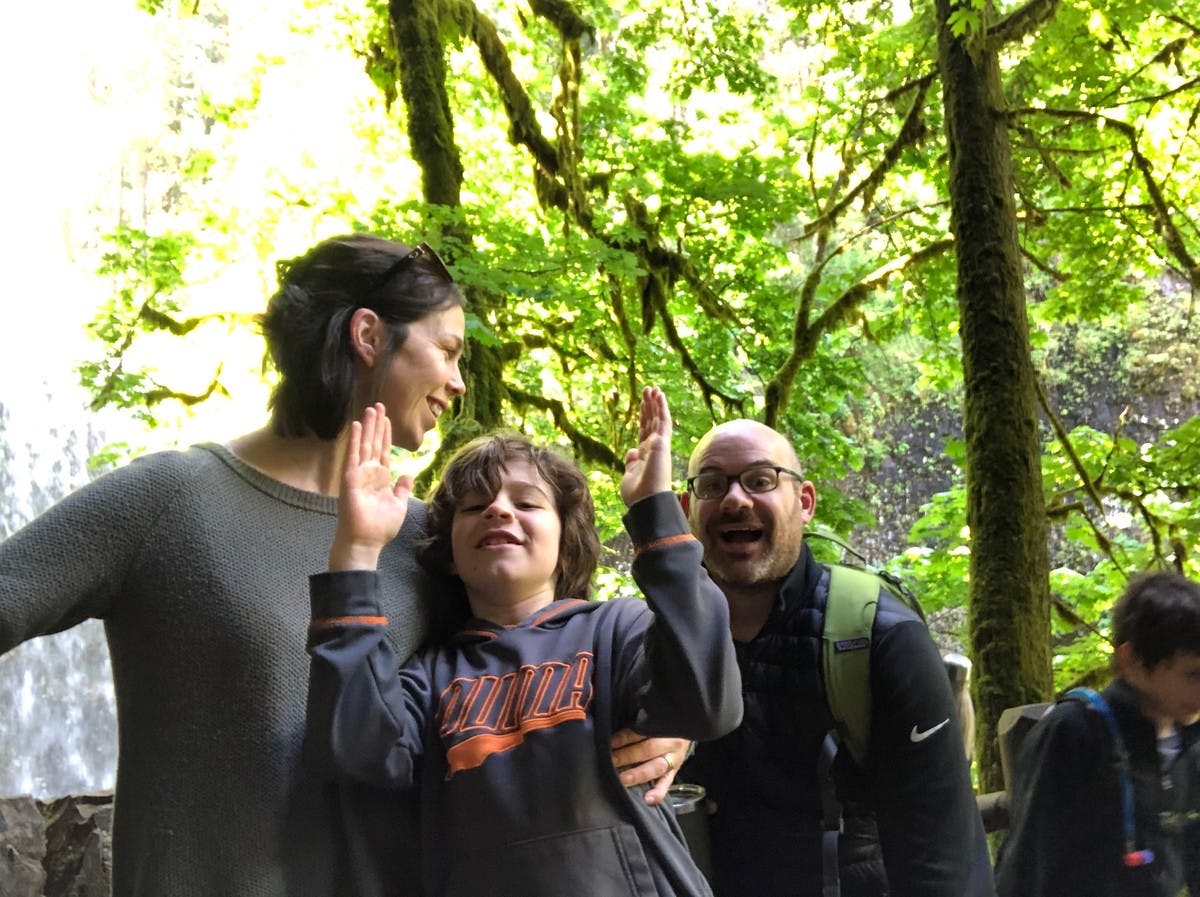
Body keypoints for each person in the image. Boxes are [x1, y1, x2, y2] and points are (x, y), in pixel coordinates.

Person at [0, 233, 681, 897]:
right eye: (447, 350)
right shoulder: (169, 500)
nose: (457, 381)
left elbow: (554, 663)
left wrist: (666, 720)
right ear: (368, 335)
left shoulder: (433, 537)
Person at [304, 388, 742, 897]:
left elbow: (708, 704)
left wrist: (655, 512)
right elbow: (356, 754)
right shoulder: (428, 677)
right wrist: (356, 551)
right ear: (449, 554)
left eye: (527, 502)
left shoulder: (616, 630)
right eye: (475, 506)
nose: (497, 510)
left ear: (565, 540)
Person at [676, 418, 995, 897]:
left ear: (804, 502)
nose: (735, 499)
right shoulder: (661, 644)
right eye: (712, 485)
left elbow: (945, 858)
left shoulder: (880, 637)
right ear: (687, 509)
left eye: (760, 480)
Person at [995, 570, 1200, 897]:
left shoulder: (1190, 740)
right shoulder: (1074, 733)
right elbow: (1029, 870)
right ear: (1131, 661)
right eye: (1193, 675)